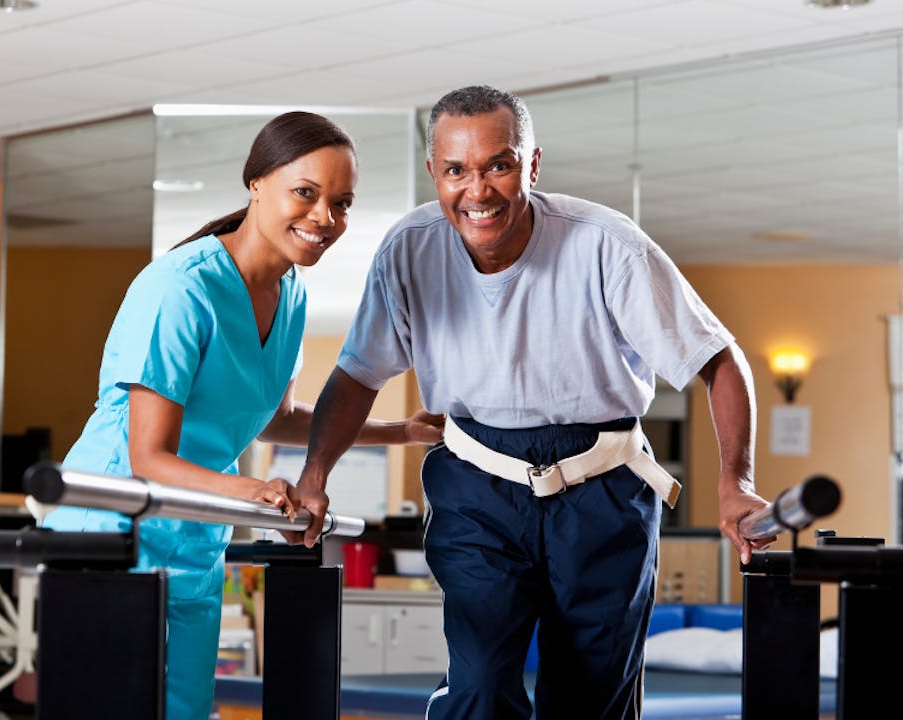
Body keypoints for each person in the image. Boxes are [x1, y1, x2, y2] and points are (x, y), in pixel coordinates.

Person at [293, 86, 776, 720]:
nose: (478, 189)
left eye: (499, 164)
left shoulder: (605, 244)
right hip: (477, 484)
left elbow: (718, 361)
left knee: (589, 696)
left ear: (533, 164)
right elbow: (357, 376)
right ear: (434, 172)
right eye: (457, 170)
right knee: (481, 685)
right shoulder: (409, 248)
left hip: (604, 486)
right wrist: (314, 476)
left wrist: (735, 480)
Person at [41, 110, 443, 720]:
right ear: (257, 183)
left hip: (194, 534)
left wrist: (401, 431)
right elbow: (149, 455)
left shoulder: (291, 295)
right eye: (305, 193)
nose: (325, 219)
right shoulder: (179, 289)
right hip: (113, 532)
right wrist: (258, 491)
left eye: (342, 202)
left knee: (187, 711)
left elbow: (273, 416)